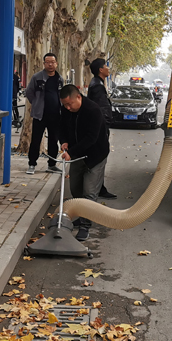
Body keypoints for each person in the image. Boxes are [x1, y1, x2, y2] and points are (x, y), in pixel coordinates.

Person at [59, 85, 110, 242]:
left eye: (69, 104)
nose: (67, 108)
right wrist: (64, 141)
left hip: (96, 156)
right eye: (64, 105)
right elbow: (61, 127)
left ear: (79, 98)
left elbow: (91, 138)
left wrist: (71, 152)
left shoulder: (93, 110)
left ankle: (85, 226)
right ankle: (81, 216)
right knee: (75, 188)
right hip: (77, 155)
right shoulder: (66, 110)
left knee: (89, 191)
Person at [25, 53, 65, 175]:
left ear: (56, 63)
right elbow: (29, 92)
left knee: (54, 140)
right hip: (40, 115)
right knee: (36, 140)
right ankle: (32, 164)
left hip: (55, 115)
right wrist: (36, 103)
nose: (50, 64)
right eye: (47, 62)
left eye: (52, 62)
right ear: (44, 64)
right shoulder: (37, 77)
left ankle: (52, 165)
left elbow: (61, 95)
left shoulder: (59, 79)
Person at [87, 58, 117, 200]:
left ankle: (100, 187)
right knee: (100, 156)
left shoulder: (97, 83)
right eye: (106, 66)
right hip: (100, 127)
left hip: (98, 126)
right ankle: (97, 189)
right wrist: (105, 124)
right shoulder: (97, 86)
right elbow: (101, 109)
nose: (108, 69)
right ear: (100, 69)